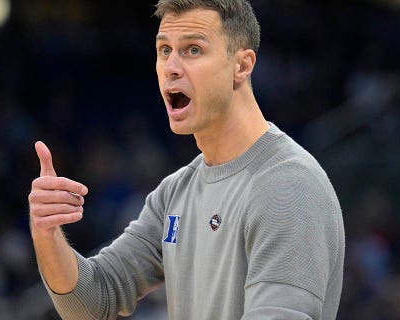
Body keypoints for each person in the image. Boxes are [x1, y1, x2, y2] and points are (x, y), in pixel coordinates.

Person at [28, 0, 345, 319]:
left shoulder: (289, 186)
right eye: (164, 50)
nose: (171, 67)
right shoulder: (174, 193)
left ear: (242, 65)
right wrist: (47, 234)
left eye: (193, 49)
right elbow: (94, 300)